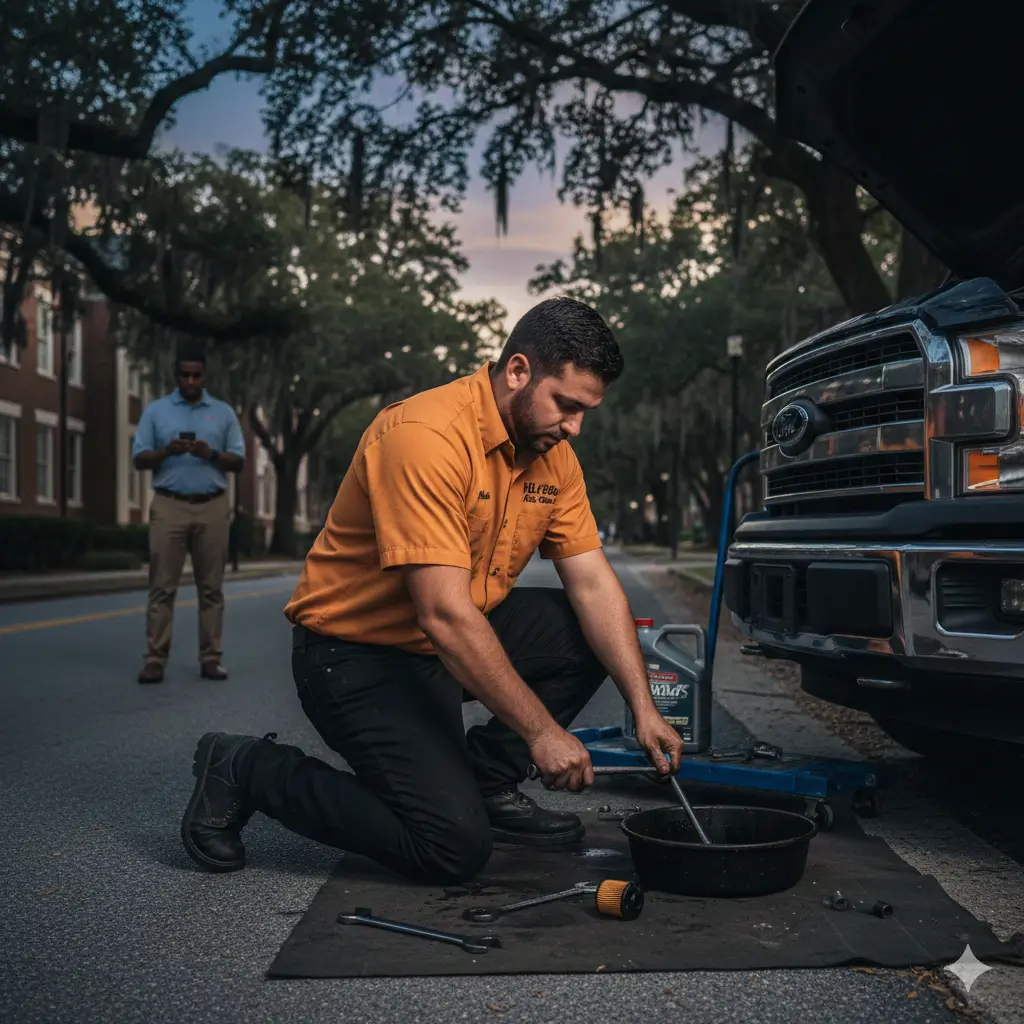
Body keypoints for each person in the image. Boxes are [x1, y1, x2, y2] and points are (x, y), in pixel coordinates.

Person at [179, 297, 684, 883]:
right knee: (450, 848)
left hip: (451, 637)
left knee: (584, 630)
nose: (575, 427)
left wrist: (643, 709)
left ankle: (489, 782)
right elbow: (443, 614)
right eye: (566, 406)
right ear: (518, 371)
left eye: (585, 412)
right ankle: (247, 768)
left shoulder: (554, 457)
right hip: (356, 658)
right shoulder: (426, 436)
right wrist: (542, 733)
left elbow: (594, 583)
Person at [132, 348, 245, 685]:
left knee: (211, 589)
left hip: (212, 504)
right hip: (169, 504)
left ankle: (211, 659)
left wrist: (208, 453)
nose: (191, 381)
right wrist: (168, 450)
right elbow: (139, 459)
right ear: (176, 376)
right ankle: (155, 659)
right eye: (185, 375)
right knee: (161, 587)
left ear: (205, 376)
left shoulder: (223, 414)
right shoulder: (157, 412)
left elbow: (238, 461)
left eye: (197, 375)